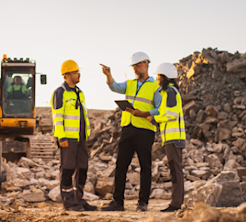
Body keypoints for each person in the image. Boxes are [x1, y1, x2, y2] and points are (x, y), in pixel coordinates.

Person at [100, 52, 161, 212]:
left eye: (138, 65)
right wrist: (109, 75)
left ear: (146, 64)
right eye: (133, 66)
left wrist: (147, 114)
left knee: (145, 167)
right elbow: (114, 87)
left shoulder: (155, 86)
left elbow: (160, 108)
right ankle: (117, 202)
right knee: (121, 166)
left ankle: (143, 203)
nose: (135, 68)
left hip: (145, 131)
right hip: (128, 129)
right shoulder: (130, 83)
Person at [51, 60, 97, 211]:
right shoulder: (60, 92)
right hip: (68, 138)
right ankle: (69, 203)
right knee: (68, 168)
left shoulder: (79, 92)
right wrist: (61, 137)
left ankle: (80, 200)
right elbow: (57, 116)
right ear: (67, 74)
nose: (79, 74)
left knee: (83, 168)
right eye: (76, 72)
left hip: (81, 138)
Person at [151, 62, 186, 212]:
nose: (157, 80)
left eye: (159, 77)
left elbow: (172, 115)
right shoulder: (168, 93)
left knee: (175, 170)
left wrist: (155, 119)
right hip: (171, 139)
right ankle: (176, 202)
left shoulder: (171, 92)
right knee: (174, 169)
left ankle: (176, 204)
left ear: (165, 77)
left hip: (174, 139)